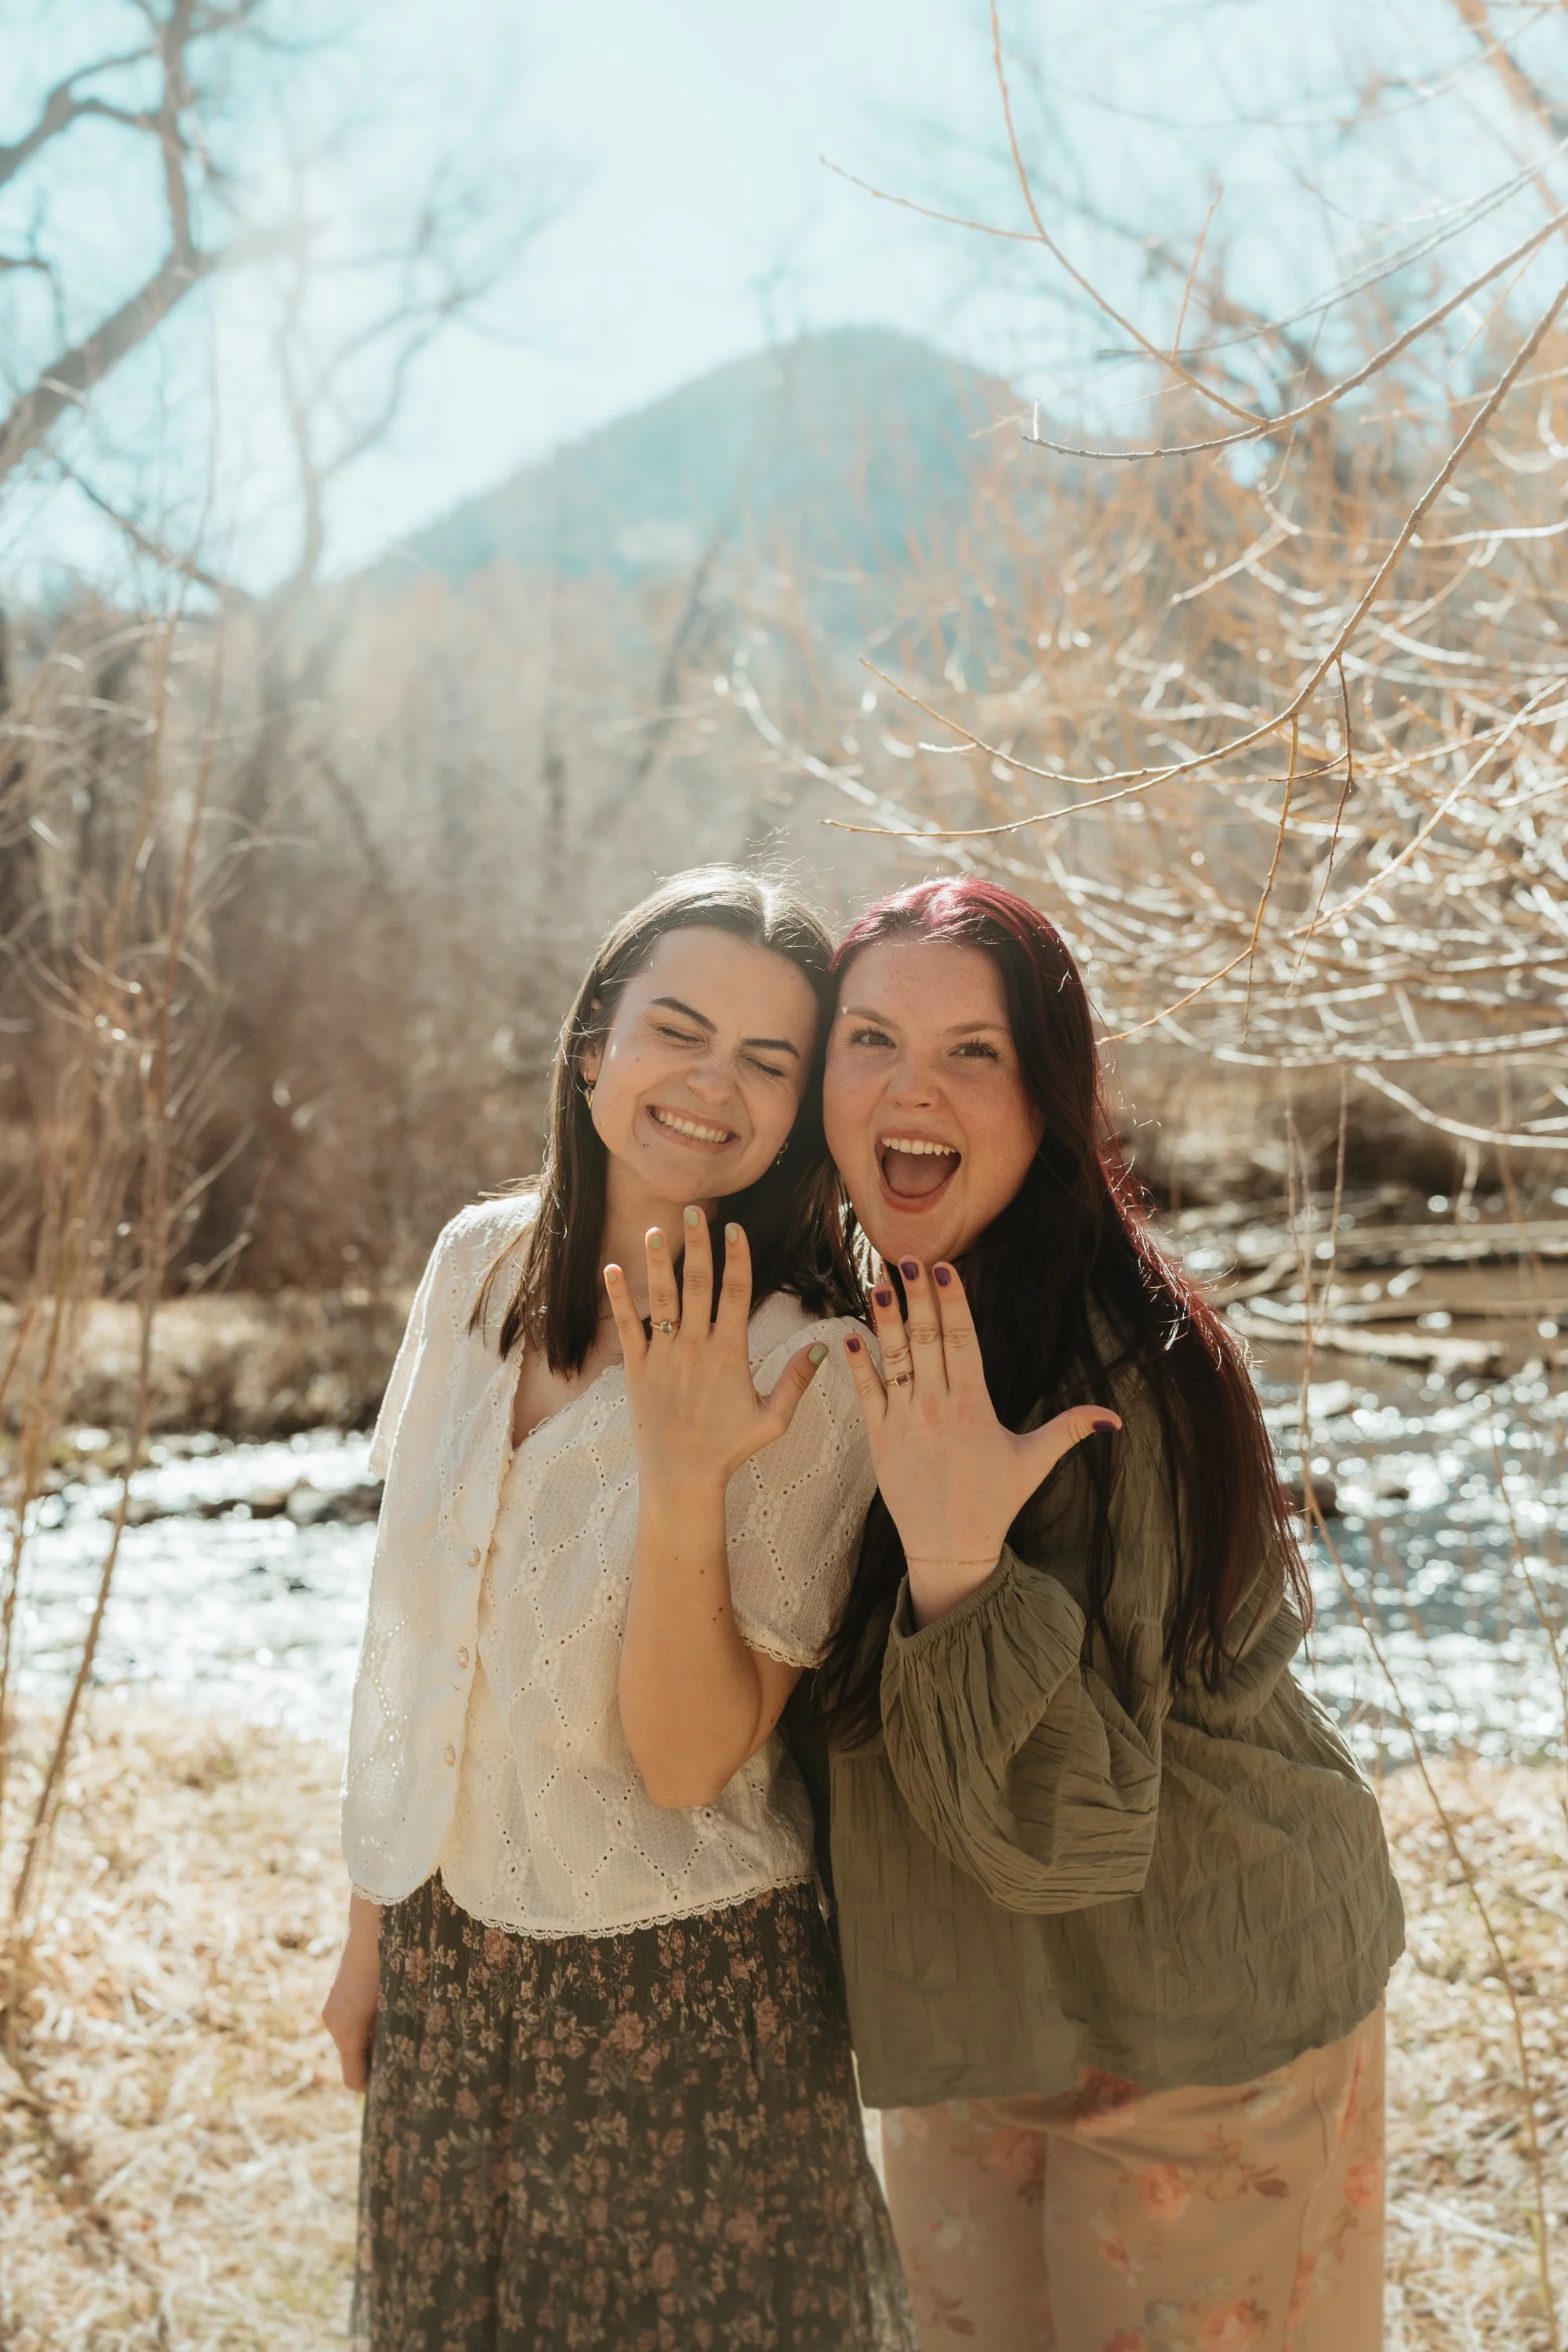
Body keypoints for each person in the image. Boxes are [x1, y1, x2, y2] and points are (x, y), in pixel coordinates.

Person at [322, 869, 918, 2352]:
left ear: (796, 1116)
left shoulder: (810, 1370)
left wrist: (683, 1473)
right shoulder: (476, 1261)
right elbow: (414, 1633)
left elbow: (683, 1761)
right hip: (452, 1966)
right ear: (594, 1043)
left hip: (683, 2000)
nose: (713, 1085)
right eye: (679, 1029)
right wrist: (370, 1933)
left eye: (769, 1063)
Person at [809, 877, 1404, 2352]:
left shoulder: (1125, 1367)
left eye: (973, 1052)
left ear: (1052, 1095)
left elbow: (1073, 1830)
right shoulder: (882, 1307)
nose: (910, 1088)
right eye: (869, 1038)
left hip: (1211, 2022)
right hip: (984, 2021)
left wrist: (954, 1560)